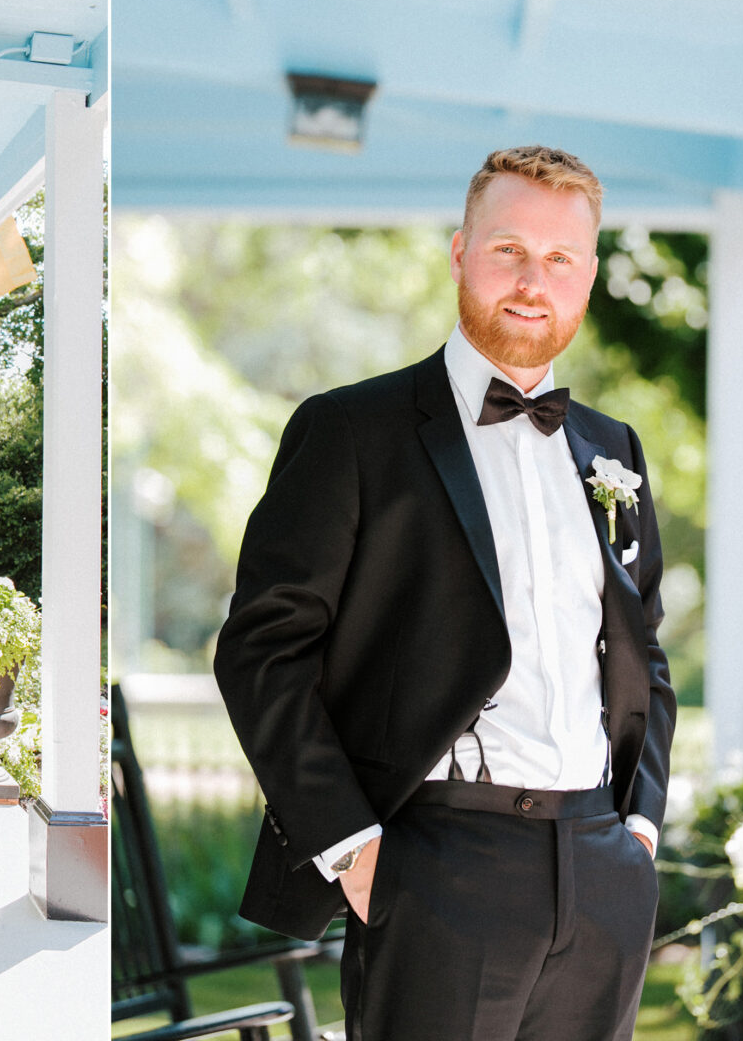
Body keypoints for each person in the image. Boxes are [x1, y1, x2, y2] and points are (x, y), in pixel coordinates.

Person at [214, 147, 675, 1040]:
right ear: (459, 252)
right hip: (435, 864)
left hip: (599, 868)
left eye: (559, 260)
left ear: (585, 277)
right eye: (508, 250)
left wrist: (639, 832)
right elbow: (261, 649)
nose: (530, 282)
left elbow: (642, 650)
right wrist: (355, 849)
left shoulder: (610, 447)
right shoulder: (352, 430)